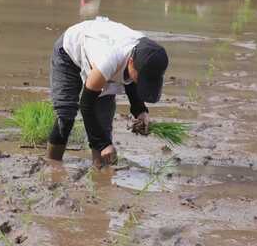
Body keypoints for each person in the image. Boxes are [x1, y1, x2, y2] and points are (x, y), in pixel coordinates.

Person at [47, 17, 169, 168]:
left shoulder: (147, 53)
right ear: (131, 62)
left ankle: (101, 172)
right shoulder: (109, 60)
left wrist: (141, 111)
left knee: (103, 122)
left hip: (100, 54)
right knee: (65, 116)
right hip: (69, 51)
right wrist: (103, 144)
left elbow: (131, 80)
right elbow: (86, 105)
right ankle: (52, 165)